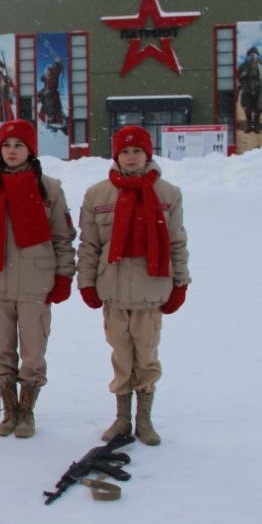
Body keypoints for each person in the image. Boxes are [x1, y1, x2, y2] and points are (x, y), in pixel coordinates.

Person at [76, 125, 191, 447]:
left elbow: (177, 242)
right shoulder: (98, 194)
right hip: (113, 290)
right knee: (121, 356)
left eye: (136, 151)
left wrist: (180, 282)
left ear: (147, 154)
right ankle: (122, 417)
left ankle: (144, 419)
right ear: (116, 156)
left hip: (151, 291)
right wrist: (86, 282)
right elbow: (89, 244)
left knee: (147, 357)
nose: (130, 157)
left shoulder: (168, 194)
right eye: (124, 152)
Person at [0, 120, 76, 438]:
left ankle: (27, 411)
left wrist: (64, 275)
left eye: (19, 145)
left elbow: (62, 237)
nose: (12, 151)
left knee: (33, 350)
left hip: (35, 282)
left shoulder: (49, 188)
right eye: (7, 145)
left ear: (31, 150)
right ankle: (10, 409)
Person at [237, 46, 262, 134]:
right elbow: (239, 78)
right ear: (249, 55)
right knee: (248, 109)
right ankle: (249, 126)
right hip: (247, 90)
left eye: (255, 54)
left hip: (259, 90)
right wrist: (244, 74)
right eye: (251, 54)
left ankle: (256, 126)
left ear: (258, 55)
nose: (253, 56)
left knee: (258, 109)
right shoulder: (244, 65)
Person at [37, 57, 67, 133]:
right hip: (47, 98)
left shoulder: (53, 74)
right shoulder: (47, 78)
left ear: (50, 71)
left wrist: (58, 63)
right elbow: (43, 78)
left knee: (54, 110)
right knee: (45, 110)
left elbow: (57, 70)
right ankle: (49, 122)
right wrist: (41, 94)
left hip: (53, 96)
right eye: (46, 72)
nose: (46, 73)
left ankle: (55, 123)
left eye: (47, 71)